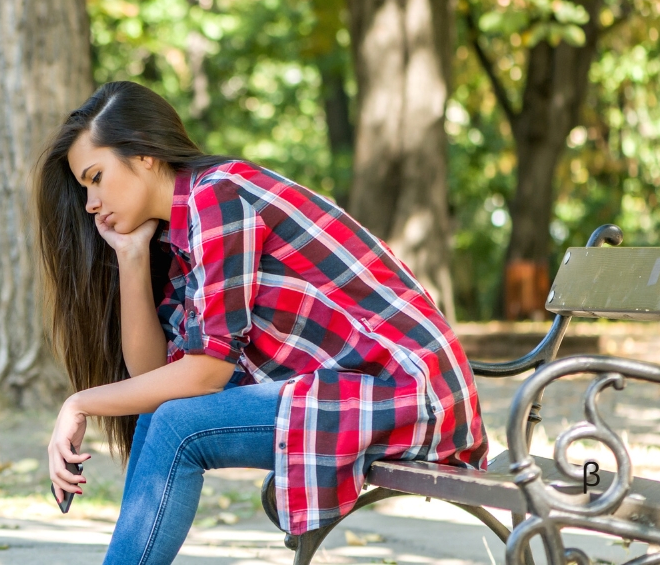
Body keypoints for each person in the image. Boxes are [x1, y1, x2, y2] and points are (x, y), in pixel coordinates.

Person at [35, 81, 487, 565]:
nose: (90, 204)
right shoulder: (186, 226)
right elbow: (154, 380)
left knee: (176, 426)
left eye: (96, 177)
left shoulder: (219, 196)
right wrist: (130, 255)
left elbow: (205, 375)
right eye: (85, 187)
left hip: (408, 395)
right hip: (365, 389)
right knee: (161, 412)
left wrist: (80, 404)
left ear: (144, 154)